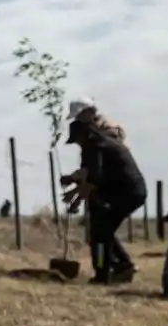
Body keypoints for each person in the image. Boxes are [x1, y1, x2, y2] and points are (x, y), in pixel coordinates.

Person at [61, 118, 144, 284]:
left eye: (77, 140)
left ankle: (103, 274)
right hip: (128, 192)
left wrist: (75, 200)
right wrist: (73, 184)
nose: (77, 144)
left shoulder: (93, 146)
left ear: (84, 135)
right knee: (102, 231)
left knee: (99, 235)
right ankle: (122, 265)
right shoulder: (100, 143)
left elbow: (93, 180)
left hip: (125, 193)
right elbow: (88, 174)